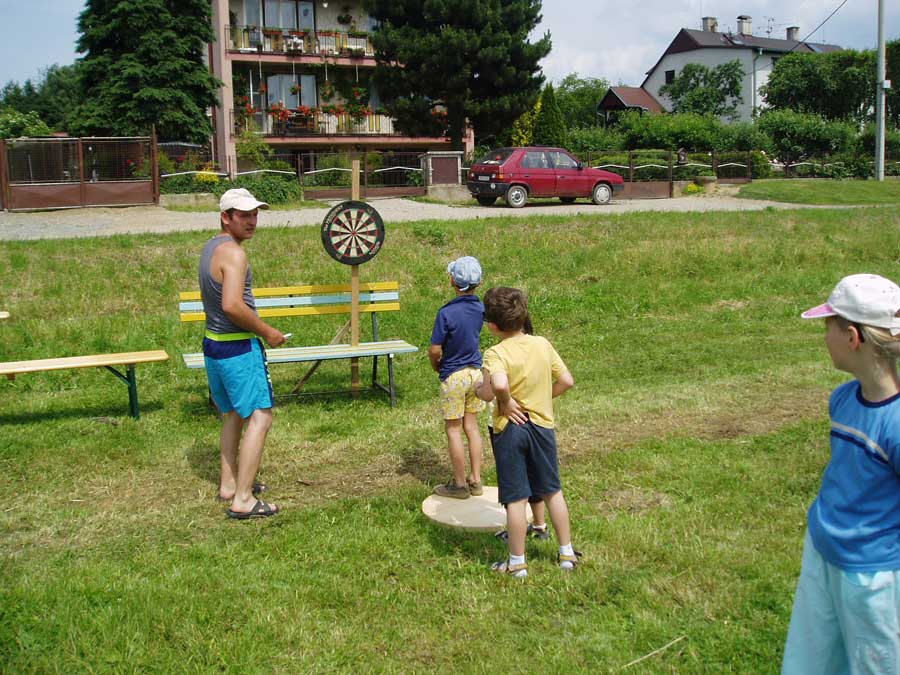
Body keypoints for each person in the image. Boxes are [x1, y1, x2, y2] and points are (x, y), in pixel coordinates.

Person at [782, 273, 900, 673]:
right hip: (823, 550)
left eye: (828, 328)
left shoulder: (896, 423)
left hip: (872, 577)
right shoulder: (844, 399)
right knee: (810, 661)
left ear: (852, 337)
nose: (824, 337)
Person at [476, 287, 579, 578]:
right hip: (542, 427)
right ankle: (567, 554)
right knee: (552, 490)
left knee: (516, 498)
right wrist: (543, 398)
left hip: (510, 431)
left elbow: (496, 386)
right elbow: (567, 380)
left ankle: (517, 563)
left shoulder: (495, 353)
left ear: (492, 326)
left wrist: (504, 401)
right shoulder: (542, 344)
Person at [200, 188, 286, 519]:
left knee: (233, 414)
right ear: (226, 217)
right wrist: (268, 332)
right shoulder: (235, 254)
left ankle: (229, 484)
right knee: (261, 416)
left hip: (213, 344)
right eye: (244, 215)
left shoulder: (211, 247)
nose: (252, 221)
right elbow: (232, 305)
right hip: (236, 346)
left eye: (255, 214)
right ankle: (244, 499)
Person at [429, 256, 486, 499]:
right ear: (479, 282)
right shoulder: (481, 309)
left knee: (453, 429)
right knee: (471, 426)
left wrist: (436, 365)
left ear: (452, 280)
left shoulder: (446, 313)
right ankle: (476, 479)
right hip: (476, 373)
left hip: (453, 375)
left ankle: (460, 485)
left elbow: (435, 349)